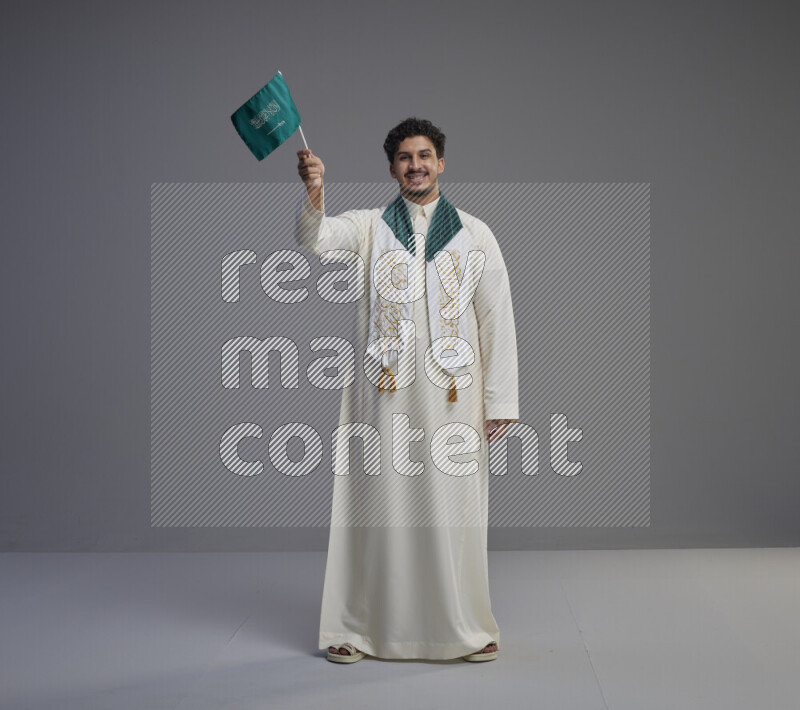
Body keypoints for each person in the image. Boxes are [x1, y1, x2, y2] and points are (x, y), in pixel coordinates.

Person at [294, 117, 519, 663]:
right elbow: (315, 240)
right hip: (384, 392)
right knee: (377, 506)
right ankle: (359, 628)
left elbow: (496, 316)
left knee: (452, 510)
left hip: (453, 396)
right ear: (392, 168)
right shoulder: (371, 227)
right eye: (404, 158)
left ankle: (462, 627)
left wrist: (500, 400)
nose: (415, 165)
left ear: (440, 163)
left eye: (423, 156)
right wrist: (315, 189)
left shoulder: (475, 234)